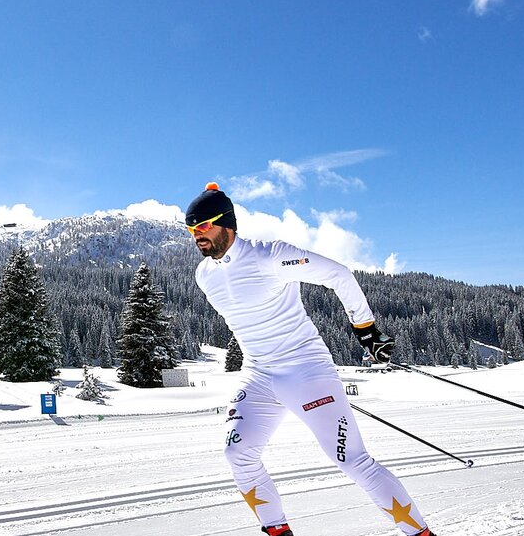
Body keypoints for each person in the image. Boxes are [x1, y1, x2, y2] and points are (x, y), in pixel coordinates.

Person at [186, 182, 434, 536]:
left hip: (305, 370)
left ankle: (421, 534)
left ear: (226, 223)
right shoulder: (204, 275)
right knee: (237, 454)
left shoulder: (270, 255)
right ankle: (277, 531)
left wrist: (367, 330)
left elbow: (339, 274)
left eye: (203, 226)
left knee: (352, 460)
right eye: (191, 230)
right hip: (257, 374)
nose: (197, 235)